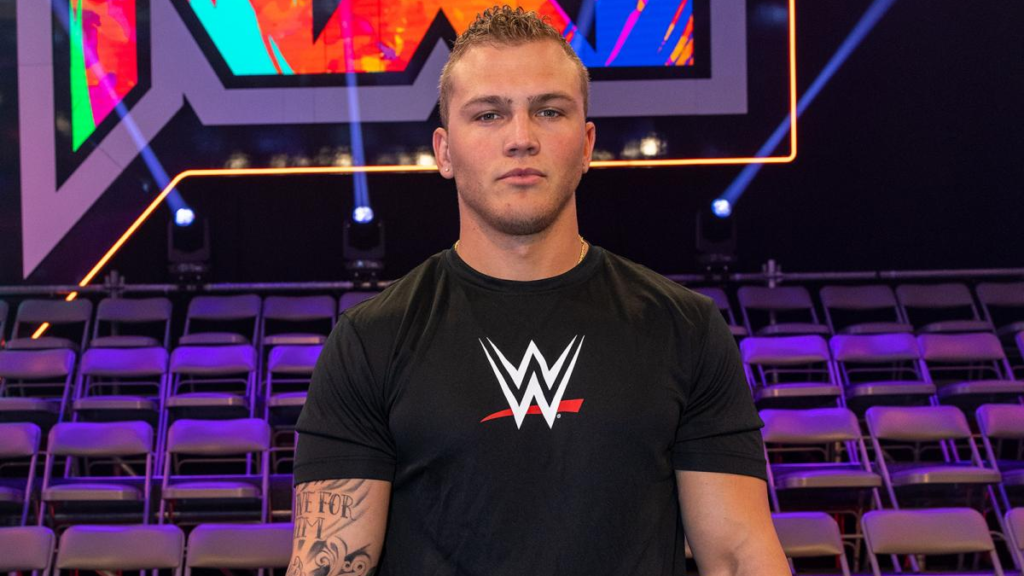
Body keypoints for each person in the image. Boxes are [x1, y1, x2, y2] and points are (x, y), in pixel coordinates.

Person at [289, 6, 789, 575]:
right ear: (444, 151)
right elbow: (327, 564)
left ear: (587, 143)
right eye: (489, 115)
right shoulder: (369, 342)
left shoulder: (686, 329)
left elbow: (738, 556)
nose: (521, 138)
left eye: (549, 111)